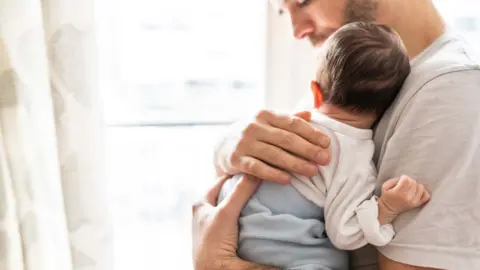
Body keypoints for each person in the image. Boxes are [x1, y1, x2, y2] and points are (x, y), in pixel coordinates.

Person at [193, 0, 480, 269]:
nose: (296, 31)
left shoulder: (449, 91)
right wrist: (228, 147)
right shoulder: (355, 76)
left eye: (304, 0)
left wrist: (217, 262)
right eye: (283, 10)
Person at [216, 22, 430, 270]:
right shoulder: (353, 159)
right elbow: (346, 233)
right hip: (282, 248)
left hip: (232, 226)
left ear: (315, 92)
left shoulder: (287, 125)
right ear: (387, 107)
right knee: (329, 260)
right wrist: (387, 207)